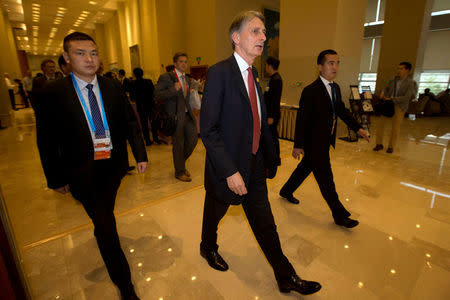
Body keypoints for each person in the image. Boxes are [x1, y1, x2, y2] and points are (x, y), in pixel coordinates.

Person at [200, 11, 321, 296]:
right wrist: (230, 171)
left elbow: (259, 120)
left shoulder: (253, 74)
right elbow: (209, 129)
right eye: (256, 31)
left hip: (253, 165)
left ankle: (285, 275)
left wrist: (270, 157)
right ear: (236, 38)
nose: (264, 38)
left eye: (264, 32)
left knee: (265, 222)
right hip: (227, 167)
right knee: (214, 211)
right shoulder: (220, 73)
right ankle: (208, 246)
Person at [35, 32, 148, 300]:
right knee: (106, 226)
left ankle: (103, 227)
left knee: (104, 216)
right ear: (66, 57)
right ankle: (126, 286)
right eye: (80, 53)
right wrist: (55, 178)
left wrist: (140, 154)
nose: (89, 59)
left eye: (94, 53)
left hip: (113, 168)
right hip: (80, 171)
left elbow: (130, 122)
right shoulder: (52, 93)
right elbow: (46, 140)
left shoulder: (112, 86)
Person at [279, 49, 370, 229]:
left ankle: (286, 190)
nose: (335, 67)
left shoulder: (335, 88)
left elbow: (342, 111)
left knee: (305, 168)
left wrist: (358, 128)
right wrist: (298, 145)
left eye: (337, 63)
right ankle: (339, 214)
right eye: (330, 63)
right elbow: (302, 120)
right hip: (314, 144)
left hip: (325, 140)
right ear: (320, 67)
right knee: (326, 179)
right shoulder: (310, 91)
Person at [155, 52, 199, 182]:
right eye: (181, 61)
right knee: (178, 145)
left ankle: (179, 163)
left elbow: (187, 98)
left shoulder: (188, 79)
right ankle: (179, 171)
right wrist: (173, 90)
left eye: (185, 61)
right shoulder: (166, 77)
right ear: (175, 63)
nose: (184, 64)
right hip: (174, 117)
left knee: (193, 140)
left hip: (187, 115)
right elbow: (157, 95)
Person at [373, 62, 417, 153]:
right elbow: (386, 87)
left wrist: (393, 99)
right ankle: (379, 144)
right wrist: (383, 93)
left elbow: (407, 97)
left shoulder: (410, 83)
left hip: (399, 106)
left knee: (395, 128)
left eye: (401, 68)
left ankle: (391, 146)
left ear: (407, 70)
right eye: (398, 68)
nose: (398, 70)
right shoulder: (392, 79)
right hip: (387, 104)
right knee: (381, 125)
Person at [129, 67, 159, 145]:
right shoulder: (148, 81)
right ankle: (156, 138)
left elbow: (132, 98)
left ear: (134, 75)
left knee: (144, 124)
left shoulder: (133, 83)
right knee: (153, 122)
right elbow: (153, 93)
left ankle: (147, 140)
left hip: (141, 106)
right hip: (150, 104)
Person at [264, 56, 282, 166]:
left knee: (273, 137)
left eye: (266, 65)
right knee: (271, 136)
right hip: (270, 114)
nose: (265, 67)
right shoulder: (272, 79)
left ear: (270, 66)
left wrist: (271, 116)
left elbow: (274, 100)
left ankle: (276, 159)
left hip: (272, 115)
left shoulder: (276, 80)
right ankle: (272, 157)